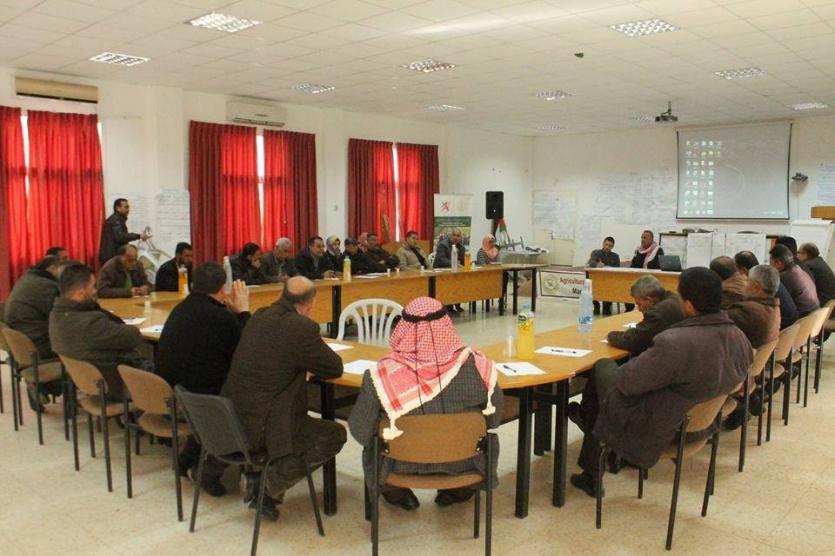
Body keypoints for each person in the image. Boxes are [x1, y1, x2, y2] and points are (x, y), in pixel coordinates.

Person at [569, 267, 752, 497]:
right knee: (605, 388)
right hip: (704, 423)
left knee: (603, 368)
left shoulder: (675, 343)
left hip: (661, 428)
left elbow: (627, 382)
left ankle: (591, 446)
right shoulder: (739, 337)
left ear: (689, 305)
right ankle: (590, 425)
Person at [349, 297, 502, 511]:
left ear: (403, 328)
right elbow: (494, 420)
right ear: (446, 325)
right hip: (465, 462)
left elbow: (361, 431)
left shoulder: (379, 376)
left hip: (397, 465)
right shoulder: (479, 369)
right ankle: (457, 491)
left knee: (374, 442)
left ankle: (398, 494)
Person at [222, 277, 346, 521]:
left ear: (282, 295)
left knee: (301, 429)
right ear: (310, 304)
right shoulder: (302, 328)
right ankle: (267, 486)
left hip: (233, 417)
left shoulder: (258, 316)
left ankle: (264, 486)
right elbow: (334, 368)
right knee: (334, 434)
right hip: (264, 426)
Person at [158, 263, 251, 496]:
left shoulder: (180, 309)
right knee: (253, 407)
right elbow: (250, 349)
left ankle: (186, 459)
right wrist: (243, 312)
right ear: (222, 288)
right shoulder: (222, 319)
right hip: (205, 402)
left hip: (177, 393)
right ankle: (207, 473)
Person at [50, 264, 152, 401]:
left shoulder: (56, 314)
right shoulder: (91, 322)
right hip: (115, 384)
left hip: (87, 381)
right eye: (93, 287)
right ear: (80, 293)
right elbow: (133, 336)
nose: (95, 291)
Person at [723, 264, 782, 430]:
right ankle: (750, 398)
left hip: (739, 371)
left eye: (747, 281)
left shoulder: (748, 311)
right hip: (754, 367)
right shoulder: (773, 307)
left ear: (755, 287)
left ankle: (739, 404)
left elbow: (717, 323)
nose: (744, 284)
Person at [605, 276, 685, 354]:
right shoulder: (674, 298)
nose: (639, 309)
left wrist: (611, 336)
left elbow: (635, 340)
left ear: (649, 300)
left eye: (639, 304)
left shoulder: (658, 313)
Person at [4, 256, 61, 360]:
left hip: (23, 342)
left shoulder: (27, 278)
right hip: (39, 345)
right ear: (52, 268)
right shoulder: (46, 286)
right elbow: (61, 318)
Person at [736, 250, 798, 329]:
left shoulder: (757, 284)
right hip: (789, 327)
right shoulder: (767, 274)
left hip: (783, 327)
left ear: (743, 271)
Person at [770, 244, 819, 316]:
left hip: (804, 317)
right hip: (815, 315)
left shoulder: (785, 277)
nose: (770, 266)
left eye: (771, 262)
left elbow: (775, 300)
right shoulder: (798, 269)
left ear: (778, 263)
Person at [99, 198, 148, 265]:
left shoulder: (117, 219)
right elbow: (120, 237)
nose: (128, 210)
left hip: (112, 257)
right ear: (118, 208)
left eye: (128, 207)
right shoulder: (115, 220)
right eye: (126, 207)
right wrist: (139, 236)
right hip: (112, 258)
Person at [587, 237, 621, 315]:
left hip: (609, 280)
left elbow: (617, 270)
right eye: (606, 244)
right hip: (597, 279)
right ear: (603, 244)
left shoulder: (615, 256)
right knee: (590, 284)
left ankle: (607, 306)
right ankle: (596, 305)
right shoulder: (596, 253)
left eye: (610, 246)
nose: (607, 247)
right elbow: (591, 262)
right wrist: (596, 264)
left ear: (612, 247)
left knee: (611, 286)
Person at [798, 242, 835, 307]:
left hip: (822, 304)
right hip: (830, 303)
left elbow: (802, 287)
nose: (797, 255)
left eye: (798, 252)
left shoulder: (809, 265)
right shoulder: (819, 261)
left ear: (805, 254)